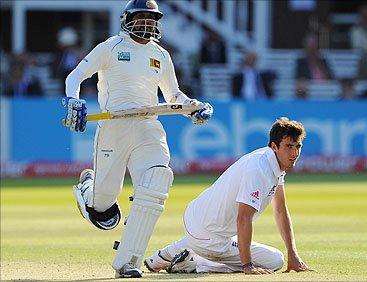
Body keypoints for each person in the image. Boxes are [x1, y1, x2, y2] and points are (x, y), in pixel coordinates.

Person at [61, 0, 213, 278]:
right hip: (114, 126)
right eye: (140, 17)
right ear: (127, 20)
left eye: (151, 19)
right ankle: (88, 189)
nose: (146, 23)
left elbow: (173, 96)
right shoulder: (112, 47)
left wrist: (193, 106)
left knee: (157, 181)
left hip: (147, 127)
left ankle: (127, 261)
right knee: (104, 210)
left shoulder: (161, 55)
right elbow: (76, 76)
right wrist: (74, 101)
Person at [144, 117, 311, 275]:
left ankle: (158, 259)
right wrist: (247, 266)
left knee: (209, 236)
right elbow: (243, 218)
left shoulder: (272, 162)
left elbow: (281, 211)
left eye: (298, 146)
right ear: (274, 146)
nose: (295, 153)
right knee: (274, 260)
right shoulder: (259, 169)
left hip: (196, 220)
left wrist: (293, 255)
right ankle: (194, 265)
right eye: (289, 146)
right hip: (209, 237)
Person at [295, 34, 333, 99]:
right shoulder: (301, 62)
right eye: (310, 47)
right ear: (306, 48)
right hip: (309, 92)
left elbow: (331, 77)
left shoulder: (323, 61)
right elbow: (299, 78)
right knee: (300, 88)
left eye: (314, 46)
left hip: (326, 91)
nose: (312, 49)